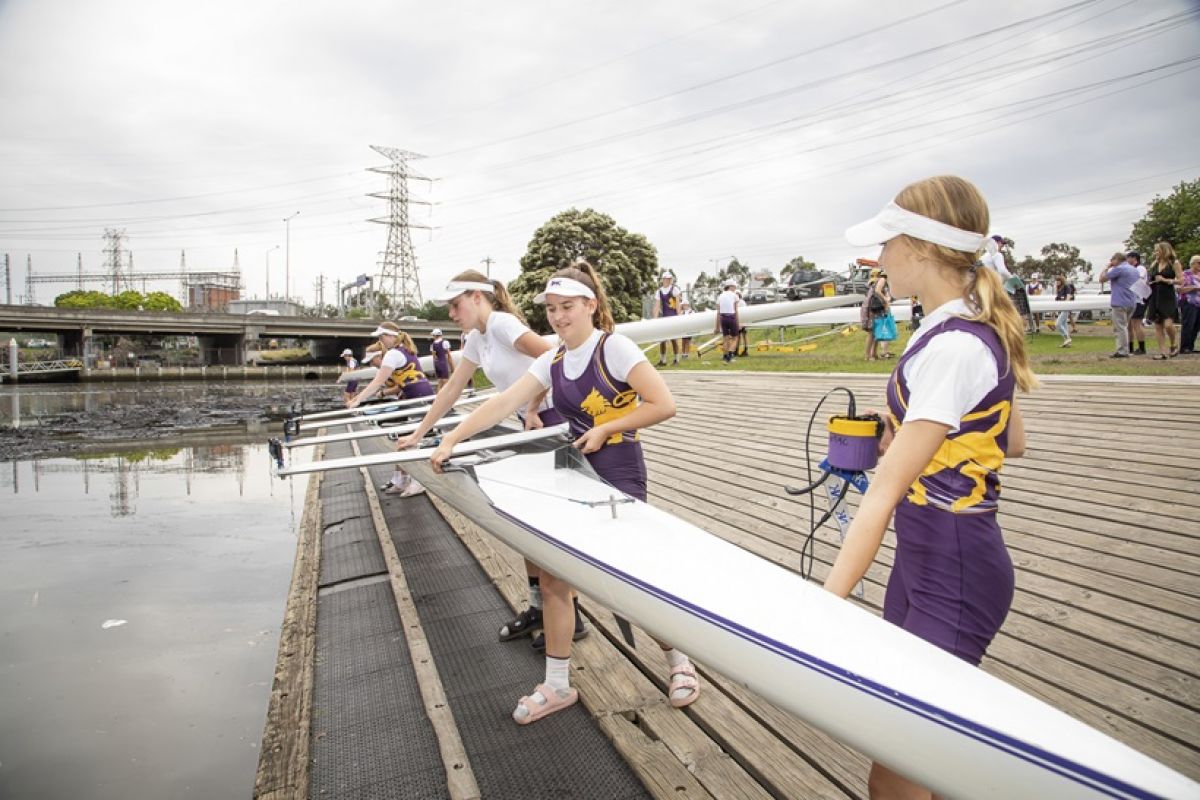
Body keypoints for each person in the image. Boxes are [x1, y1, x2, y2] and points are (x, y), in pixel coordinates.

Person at [430, 261, 700, 724]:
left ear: (591, 306)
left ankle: (679, 660)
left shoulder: (614, 348)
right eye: (552, 310)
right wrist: (452, 437)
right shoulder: (550, 358)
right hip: (572, 469)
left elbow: (664, 405)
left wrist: (609, 427)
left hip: (617, 467)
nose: (558, 318)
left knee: (632, 573)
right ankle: (557, 685)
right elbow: (503, 402)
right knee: (555, 577)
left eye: (567, 307)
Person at [834, 175, 1033, 799]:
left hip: (954, 570)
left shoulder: (952, 346)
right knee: (929, 758)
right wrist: (918, 435)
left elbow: (883, 493)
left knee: (895, 774)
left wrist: (822, 606)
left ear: (921, 247)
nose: (878, 260)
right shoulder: (960, 327)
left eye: (886, 245)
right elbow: (1009, 438)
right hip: (927, 561)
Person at [392, 270, 584, 650]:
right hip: (529, 423)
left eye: (455, 304)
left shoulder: (501, 324)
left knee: (553, 520)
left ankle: (570, 615)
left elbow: (553, 356)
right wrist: (418, 434)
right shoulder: (478, 337)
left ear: (478, 297)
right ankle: (538, 607)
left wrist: (531, 404)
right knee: (528, 520)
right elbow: (451, 389)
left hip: (553, 420)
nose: (450, 313)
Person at [347, 321, 435, 496]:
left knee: (411, 440)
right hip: (418, 395)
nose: (381, 340)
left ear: (390, 337)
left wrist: (357, 400)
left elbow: (378, 381)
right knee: (404, 439)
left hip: (418, 398)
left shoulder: (393, 354)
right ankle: (402, 480)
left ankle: (419, 481)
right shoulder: (404, 349)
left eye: (382, 337)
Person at [1145, 242, 1182, 359]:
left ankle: (1173, 344)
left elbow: (1180, 280)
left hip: (1168, 296)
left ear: (1165, 250)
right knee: (1158, 325)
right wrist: (1149, 282)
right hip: (1155, 295)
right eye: (1155, 251)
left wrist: (1166, 280)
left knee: (1168, 324)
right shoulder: (1154, 264)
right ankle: (1162, 352)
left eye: (1158, 250)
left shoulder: (1174, 263)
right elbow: (1150, 279)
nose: (1156, 253)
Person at [1100, 252, 1139, 358]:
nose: (1111, 261)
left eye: (1112, 259)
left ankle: (1122, 350)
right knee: (1124, 326)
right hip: (1131, 301)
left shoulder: (1119, 269)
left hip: (1119, 301)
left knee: (1120, 327)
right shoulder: (1133, 269)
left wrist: (1106, 268)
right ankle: (1124, 349)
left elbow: (1102, 279)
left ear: (1117, 259)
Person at [652, 272, 682, 366]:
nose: (668, 280)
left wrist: (679, 316)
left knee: (674, 339)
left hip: (673, 316)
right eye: (667, 279)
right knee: (662, 339)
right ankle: (663, 360)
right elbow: (657, 306)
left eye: (670, 279)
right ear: (663, 279)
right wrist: (655, 319)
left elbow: (677, 304)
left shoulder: (675, 289)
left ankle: (676, 359)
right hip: (665, 317)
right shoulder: (659, 291)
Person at [1127, 251, 1150, 355]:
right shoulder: (1131, 269)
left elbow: (1138, 279)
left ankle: (1142, 347)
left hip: (1139, 299)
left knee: (1137, 324)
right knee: (1129, 325)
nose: (1127, 261)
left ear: (1134, 258)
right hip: (1131, 299)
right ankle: (1130, 347)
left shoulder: (1140, 268)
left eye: (1129, 258)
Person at [871, 271, 896, 359]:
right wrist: (885, 299)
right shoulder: (882, 279)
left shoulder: (884, 281)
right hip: (883, 308)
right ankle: (884, 352)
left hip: (883, 307)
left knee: (885, 328)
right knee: (886, 328)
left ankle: (885, 351)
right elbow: (877, 290)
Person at [1179, 254, 1200, 354]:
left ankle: (1191, 346)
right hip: (1188, 302)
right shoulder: (1185, 274)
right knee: (1188, 324)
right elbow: (1180, 289)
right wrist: (1194, 288)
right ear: (1193, 263)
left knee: (1196, 325)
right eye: (1199, 263)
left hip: (1199, 303)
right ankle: (1184, 346)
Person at [715, 279, 740, 363]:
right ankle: (730, 354)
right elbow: (736, 310)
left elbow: (718, 313)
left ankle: (725, 356)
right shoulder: (734, 295)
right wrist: (738, 323)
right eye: (734, 287)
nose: (735, 289)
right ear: (731, 286)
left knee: (725, 338)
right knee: (735, 338)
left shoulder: (720, 296)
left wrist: (717, 327)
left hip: (723, 318)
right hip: (731, 317)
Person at [1053, 276, 1075, 347]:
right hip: (1061, 308)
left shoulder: (1066, 287)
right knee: (1064, 325)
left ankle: (1067, 338)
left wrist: (1065, 304)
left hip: (1065, 308)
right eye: (1056, 281)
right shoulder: (1059, 289)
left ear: (1061, 281)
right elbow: (1057, 299)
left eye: (1058, 281)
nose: (1057, 282)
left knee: (1058, 324)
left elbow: (1068, 297)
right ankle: (1067, 343)